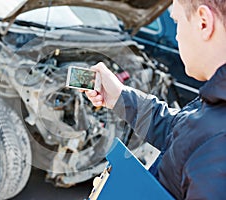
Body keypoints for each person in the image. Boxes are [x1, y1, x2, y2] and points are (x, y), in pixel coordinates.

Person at [85, 0, 226, 199]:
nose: (177, 35)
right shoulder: (215, 108)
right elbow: (177, 131)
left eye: (177, 22)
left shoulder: (217, 150)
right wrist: (119, 96)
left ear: (203, 22)